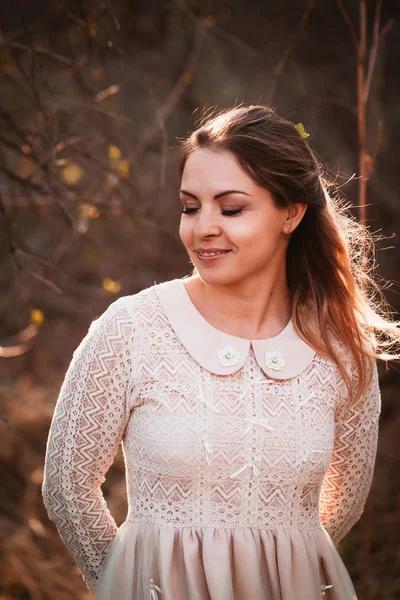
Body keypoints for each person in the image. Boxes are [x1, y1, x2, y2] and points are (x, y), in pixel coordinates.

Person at [42, 105, 399, 600]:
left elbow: (345, 500)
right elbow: (66, 486)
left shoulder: (340, 348)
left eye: (230, 209)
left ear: (291, 214)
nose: (202, 227)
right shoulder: (132, 328)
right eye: (191, 207)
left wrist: (279, 566)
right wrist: (124, 581)